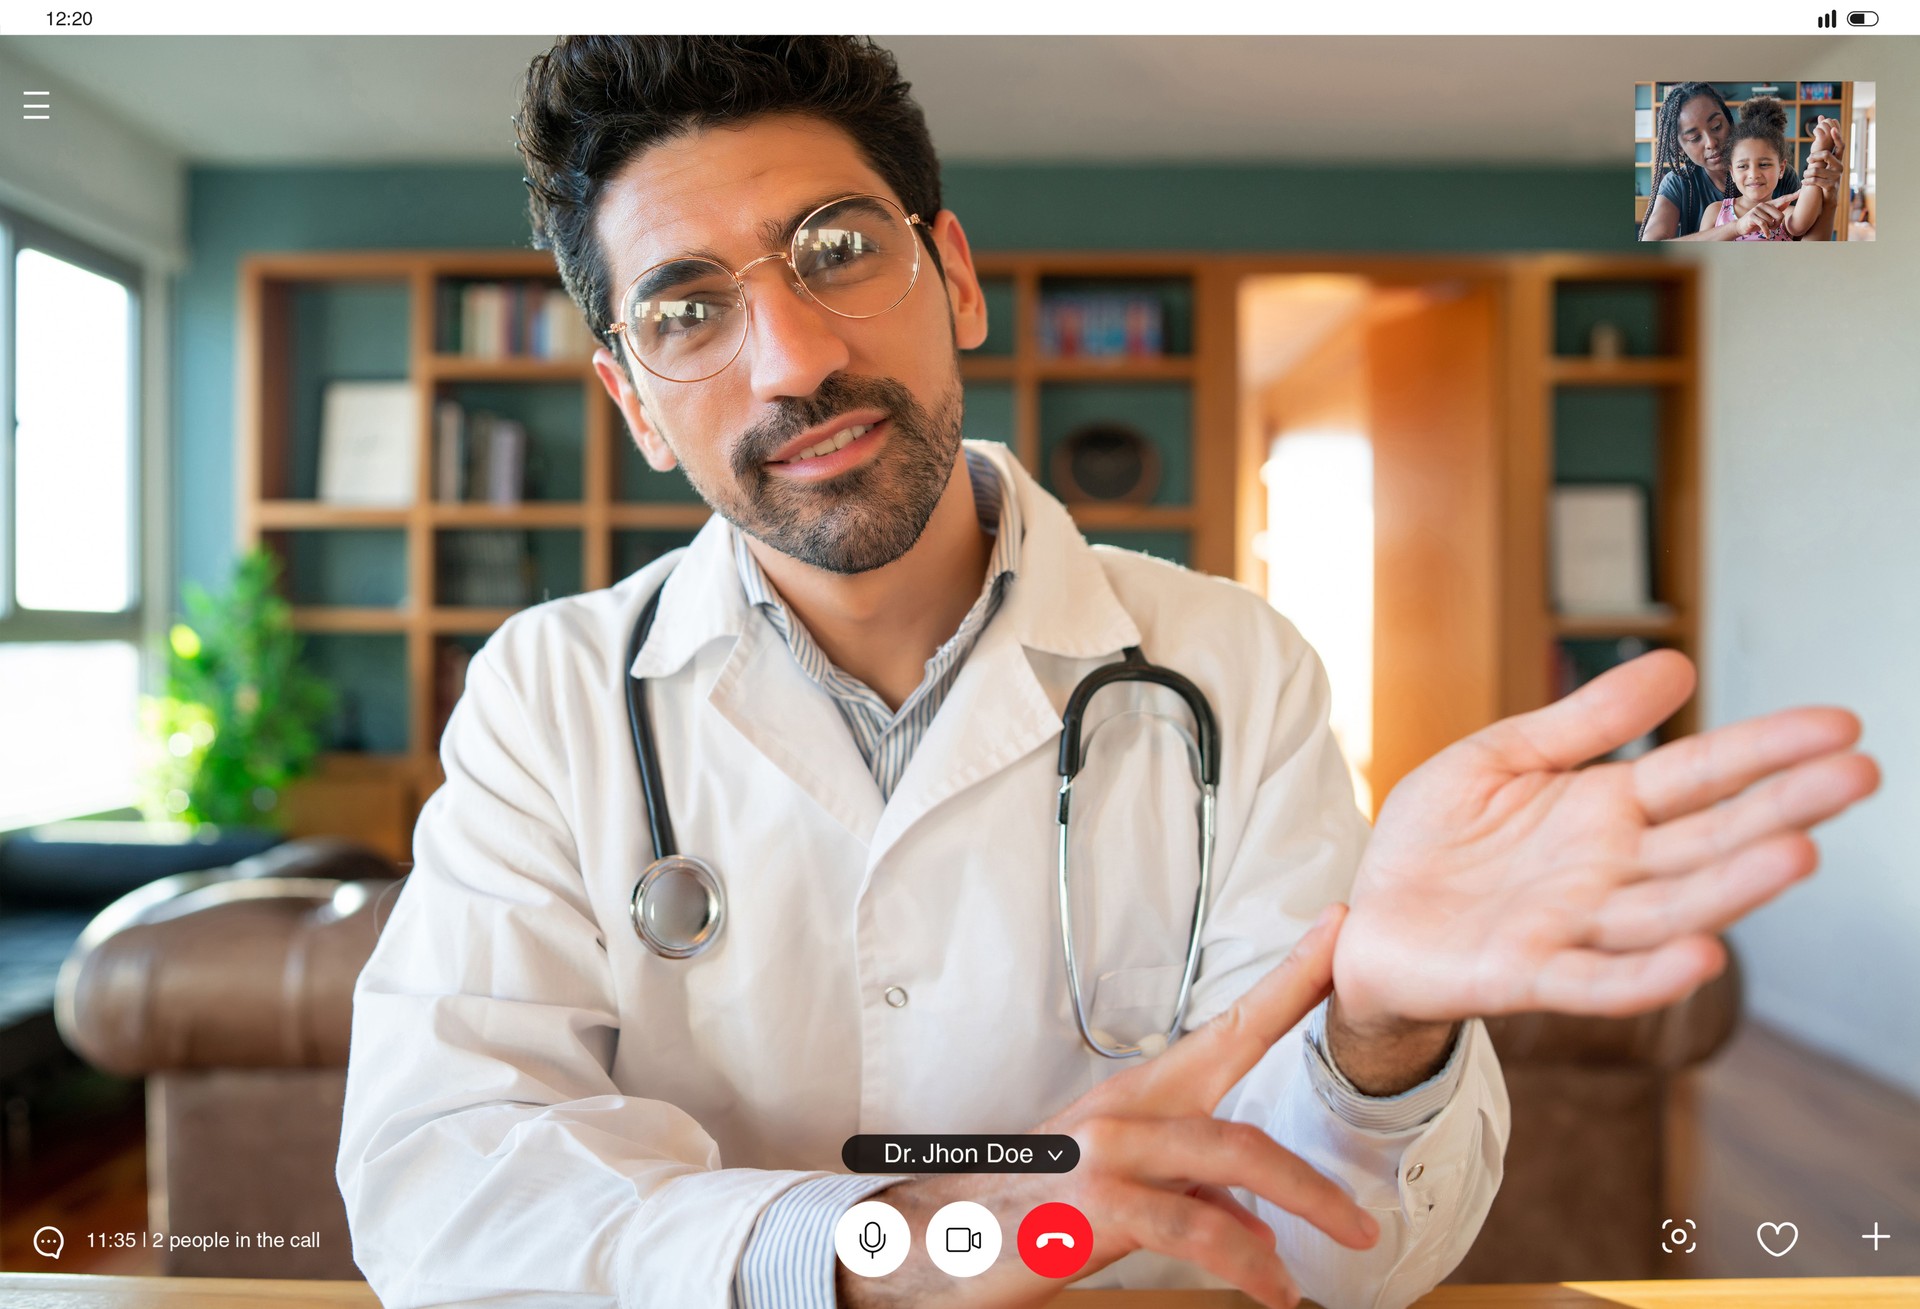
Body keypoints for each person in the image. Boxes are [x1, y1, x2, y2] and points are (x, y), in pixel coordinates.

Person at [336, 37, 1881, 1309]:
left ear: (954, 277)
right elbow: (443, 1194)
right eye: (688, 310)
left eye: (839, 249)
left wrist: (1380, 1033)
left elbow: (1345, 1255)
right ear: (636, 406)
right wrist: (914, 1247)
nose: (793, 357)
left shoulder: (1233, 666)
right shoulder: (548, 695)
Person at [1638, 81, 1844, 241]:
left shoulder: (1780, 176)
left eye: (1717, 126)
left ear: (1729, 121)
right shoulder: (1679, 183)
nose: (1711, 142)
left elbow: (1805, 237)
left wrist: (1828, 193)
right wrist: (1736, 227)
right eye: (1693, 137)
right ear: (1679, 146)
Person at [1697, 98, 1824, 241]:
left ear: (1781, 169)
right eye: (1742, 166)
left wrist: (1818, 156)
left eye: (1764, 164)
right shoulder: (1715, 211)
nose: (1753, 174)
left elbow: (1801, 224)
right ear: (1732, 172)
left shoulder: (1784, 215)